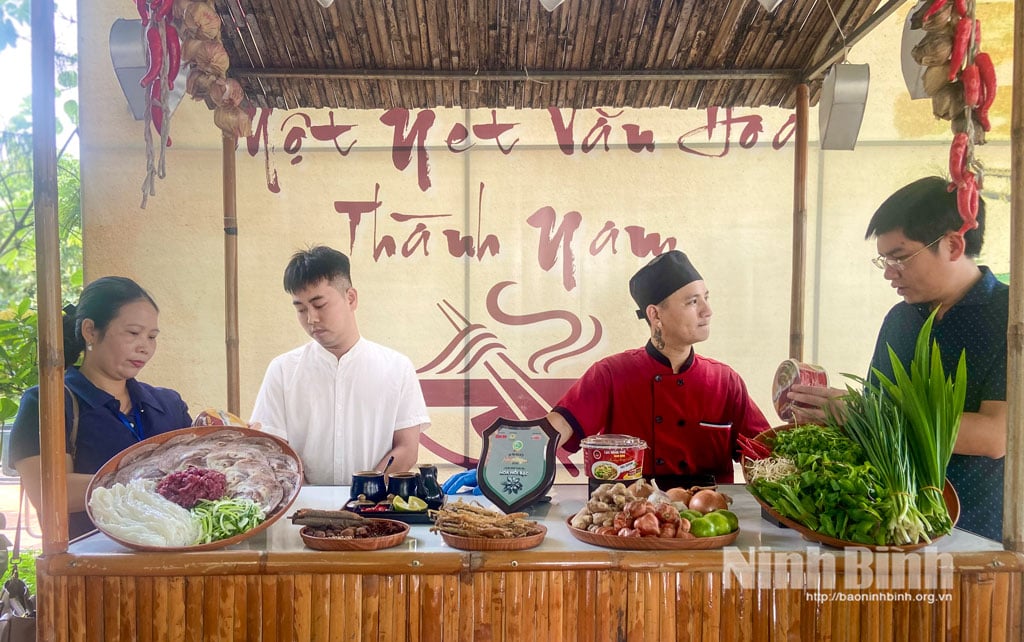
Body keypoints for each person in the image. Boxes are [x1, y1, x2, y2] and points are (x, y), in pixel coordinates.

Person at [790, 176, 1008, 540]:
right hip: (894, 528)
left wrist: (866, 415)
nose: (890, 273)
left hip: (979, 534)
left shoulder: (1010, 317)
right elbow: (877, 410)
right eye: (885, 260)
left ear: (953, 245)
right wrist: (832, 416)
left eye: (901, 258)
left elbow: (995, 435)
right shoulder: (901, 318)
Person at [545, 250, 770, 484]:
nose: (707, 311)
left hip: (713, 516)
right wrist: (518, 453)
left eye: (706, 297)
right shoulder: (611, 374)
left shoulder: (725, 381)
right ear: (655, 314)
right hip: (632, 515)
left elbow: (766, 455)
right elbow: (555, 430)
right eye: (693, 301)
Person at [9, 277, 192, 539]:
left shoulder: (168, 404)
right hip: (91, 570)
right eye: (133, 333)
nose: (145, 347)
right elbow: (47, 493)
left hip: (175, 566)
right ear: (90, 331)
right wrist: (150, 479)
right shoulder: (47, 403)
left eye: (152, 337)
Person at [251, 246, 430, 485]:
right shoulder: (283, 370)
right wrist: (308, 497)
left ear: (351, 298)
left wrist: (366, 491)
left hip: (375, 511)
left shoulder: (397, 368)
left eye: (319, 305)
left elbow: (407, 448)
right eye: (301, 309)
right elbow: (274, 451)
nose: (311, 319)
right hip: (303, 509)